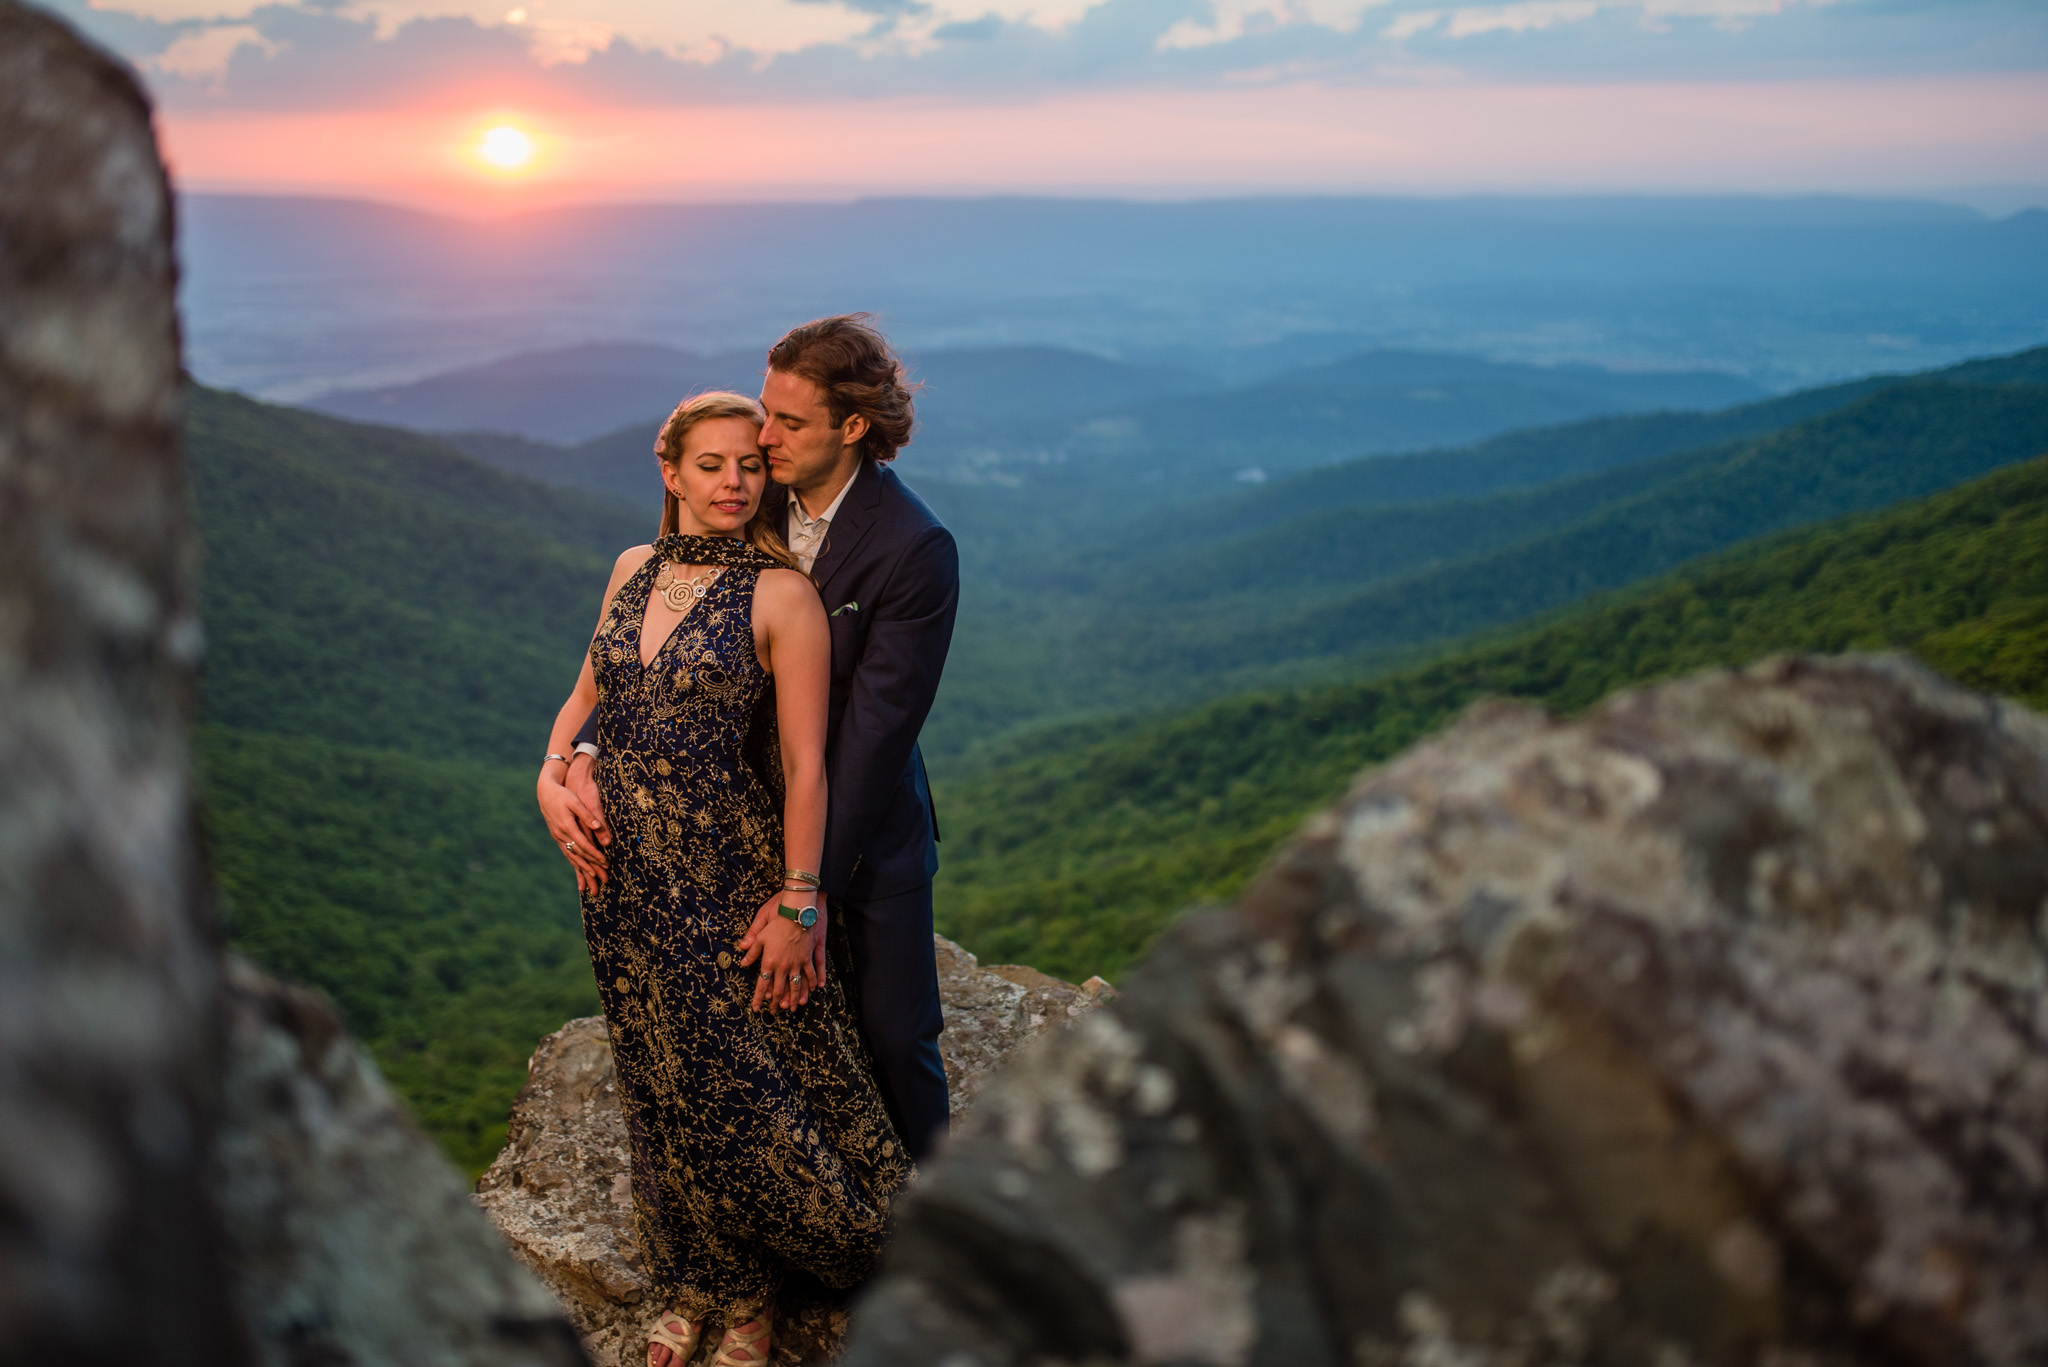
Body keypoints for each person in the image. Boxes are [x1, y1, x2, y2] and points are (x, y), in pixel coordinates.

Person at [536, 390, 910, 1367]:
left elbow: (806, 767)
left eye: (750, 462)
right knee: (659, 1077)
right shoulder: (630, 567)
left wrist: (796, 900)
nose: (735, 481)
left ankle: (751, 1296)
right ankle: (696, 1272)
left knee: (735, 1089)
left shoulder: (780, 595)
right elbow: (585, 698)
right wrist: (549, 772)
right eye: (711, 463)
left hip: (719, 872)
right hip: (618, 879)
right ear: (670, 470)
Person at [542, 315, 960, 1172]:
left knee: (889, 1032)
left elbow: (873, 740)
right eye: (765, 412)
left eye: (788, 423)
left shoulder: (914, 549)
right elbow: (655, 635)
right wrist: (579, 757)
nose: (762, 440)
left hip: (862, 836)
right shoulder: (749, 487)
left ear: (853, 429)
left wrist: (801, 895)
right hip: (723, 830)